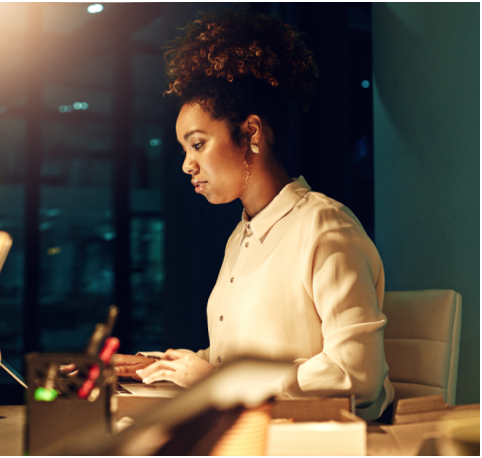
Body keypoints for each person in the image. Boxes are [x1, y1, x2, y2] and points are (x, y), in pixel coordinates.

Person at [114, 7, 394, 421]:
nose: (187, 165)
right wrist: (159, 365)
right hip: (250, 432)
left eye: (197, 144)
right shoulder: (241, 236)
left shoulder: (325, 227)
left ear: (251, 133)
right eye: (184, 149)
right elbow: (234, 358)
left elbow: (356, 376)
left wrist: (215, 380)